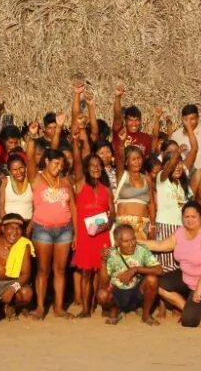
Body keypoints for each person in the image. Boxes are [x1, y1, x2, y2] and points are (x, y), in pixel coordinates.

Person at [140, 200, 201, 327]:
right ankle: (186, 308)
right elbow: (161, 245)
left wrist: (199, 288)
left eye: (193, 216)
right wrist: (135, 241)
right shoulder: (180, 232)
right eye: (186, 216)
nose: (190, 220)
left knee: (189, 321)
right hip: (188, 279)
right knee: (157, 284)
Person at [25, 121, 77, 319]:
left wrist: (76, 234)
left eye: (61, 164)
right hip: (42, 229)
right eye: (56, 163)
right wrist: (31, 137)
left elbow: (73, 207)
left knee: (61, 270)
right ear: (46, 162)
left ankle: (59, 307)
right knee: (43, 270)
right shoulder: (36, 178)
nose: (59, 167)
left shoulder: (65, 181)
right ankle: (39, 307)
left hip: (65, 229)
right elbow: (29, 159)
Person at [68, 121, 113, 318]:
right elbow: (78, 159)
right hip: (85, 236)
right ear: (86, 168)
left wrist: (106, 225)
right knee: (86, 273)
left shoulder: (106, 189)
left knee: (102, 274)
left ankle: (101, 303)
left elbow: (114, 214)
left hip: (102, 235)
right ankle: (86, 308)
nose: (96, 168)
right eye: (92, 165)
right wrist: (77, 140)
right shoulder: (79, 184)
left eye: (98, 165)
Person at [0, 180, 35, 320]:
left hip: (11, 283)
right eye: (11, 227)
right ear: (3, 228)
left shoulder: (23, 245)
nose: (14, 231)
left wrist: (12, 288)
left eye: (18, 228)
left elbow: (26, 275)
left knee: (26, 293)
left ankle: (12, 306)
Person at [97, 224, 162, 325]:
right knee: (102, 295)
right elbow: (103, 284)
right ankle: (115, 310)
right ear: (117, 243)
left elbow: (159, 270)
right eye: (126, 241)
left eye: (133, 239)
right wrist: (103, 262)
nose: (131, 244)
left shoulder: (142, 249)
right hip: (118, 292)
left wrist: (135, 269)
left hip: (137, 291)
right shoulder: (111, 254)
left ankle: (146, 315)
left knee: (152, 279)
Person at [153, 136, 196, 274]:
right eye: (175, 164)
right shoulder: (161, 177)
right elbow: (170, 165)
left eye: (180, 164)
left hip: (180, 227)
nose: (178, 167)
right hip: (165, 225)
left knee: (179, 266)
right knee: (165, 267)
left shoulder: (182, 185)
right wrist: (177, 153)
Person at [169, 70, 201, 162]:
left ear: (198, 118)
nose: (189, 122)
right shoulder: (176, 135)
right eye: (186, 119)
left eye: (192, 119)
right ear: (182, 119)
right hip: (187, 175)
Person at [111, 85, 154, 157]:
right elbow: (117, 117)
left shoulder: (147, 138)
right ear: (125, 121)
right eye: (130, 120)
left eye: (136, 120)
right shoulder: (119, 134)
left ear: (140, 121)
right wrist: (118, 97)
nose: (134, 123)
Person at [0, 153, 33, 223]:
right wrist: (8, 224)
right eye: (14, 170)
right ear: (9, 171)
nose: (19, 172)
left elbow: (37, 208)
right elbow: (1, 207)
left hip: (28, 223)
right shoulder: (5, 181)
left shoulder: (31, 181)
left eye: (21, 168)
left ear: (25, 166)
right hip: (8, 223)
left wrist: (29, 227)